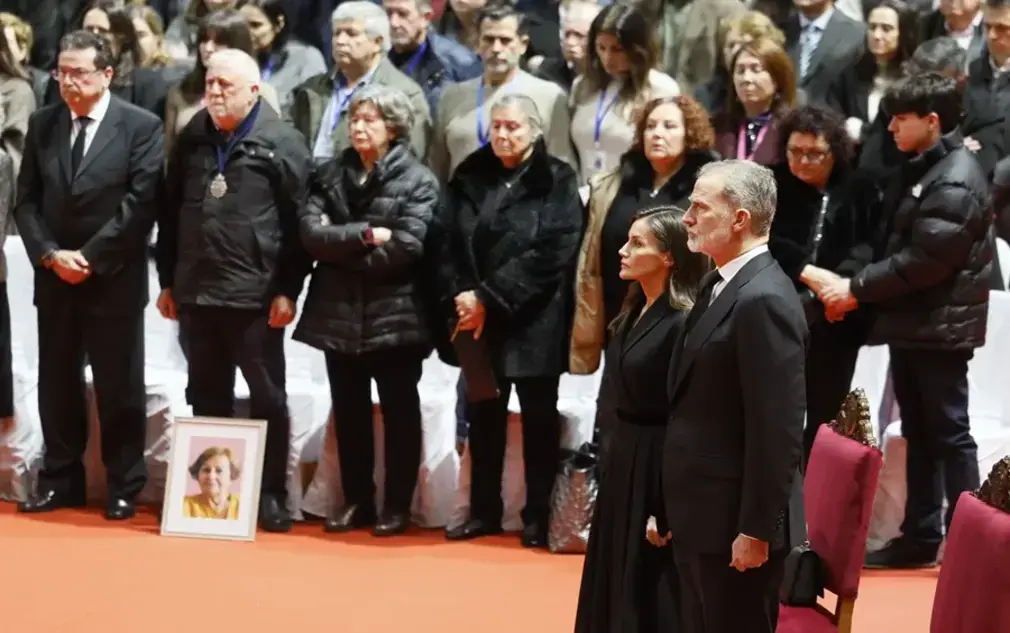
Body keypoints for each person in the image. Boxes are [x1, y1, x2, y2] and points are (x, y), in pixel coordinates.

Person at [820, 72, 991, 569]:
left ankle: (971, 548)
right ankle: (920, 537)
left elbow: (924, 260)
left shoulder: (955, 176)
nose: (890, 127)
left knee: (949, 434)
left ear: (932, 122)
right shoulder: (924, 166)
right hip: (919, 323)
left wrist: (855, 288)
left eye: (900, 119)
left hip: (939, 325)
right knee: (919, 431)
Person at [156, 48, 311, 533]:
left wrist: (288, 288)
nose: (215, 92)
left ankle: (269, 494)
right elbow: (170, 209)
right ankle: (215, 503)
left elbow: (298, 224)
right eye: (210, 83)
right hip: (197, 290)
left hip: (255, 294)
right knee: (206, 393)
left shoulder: (282, 142)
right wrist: (166, 280)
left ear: (254, 91)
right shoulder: (193, 135)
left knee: (267, 398)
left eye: (226, 85)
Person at [14, 30, 164, 520]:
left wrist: (91, 257)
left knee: (120, 384)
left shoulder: (140, 126)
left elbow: (141, 204)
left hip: (112, 278)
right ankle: (61, 478)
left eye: (79, 72)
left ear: (107, 75)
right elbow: (26, 201)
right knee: (57, 381)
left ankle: (124, 482)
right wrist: (52, 254)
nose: (67, 81)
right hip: (54, 275)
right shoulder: (43, 123)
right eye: (61, 71)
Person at [664, 159, 807, 633]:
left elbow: (777, 429)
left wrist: (757, 529)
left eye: (700, 208)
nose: (686, 217)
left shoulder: (764, 298)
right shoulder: (718, 281)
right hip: (700, 514)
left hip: (733, 524)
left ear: (740, 219)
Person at [438, 93, 582, 547]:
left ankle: (537, 515)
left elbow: (554, 250)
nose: (502, 135)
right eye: (496, 126)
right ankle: (483, 510)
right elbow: (446, 240)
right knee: (483, 420)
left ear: (535, 131)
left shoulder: (557, 178)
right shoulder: (469, 174)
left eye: (513, 127)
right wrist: (463, 295)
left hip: (535, 317)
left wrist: (489, 295)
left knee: (539, 423)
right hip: (478, 321)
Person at [294, 85, 439, 537]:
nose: (358, 128)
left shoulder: (418, 180)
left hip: (396, 315)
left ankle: (396, 505)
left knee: (400, 413)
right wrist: (362, 236)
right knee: (349, 412)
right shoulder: (331, 172)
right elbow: (310, 234)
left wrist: (340, 246)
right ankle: (357, 499)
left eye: (369, 120)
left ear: (393, 128)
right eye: (354, 120)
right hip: (338, 313)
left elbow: (408, 247)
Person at [574, 206, 710, 633]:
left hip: (656, 466)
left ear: (669, 255)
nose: (622, 250)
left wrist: (665, 507)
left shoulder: (684, 321)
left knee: (649, 587)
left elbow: (687, 417)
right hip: (625, 459)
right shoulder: (633, 311)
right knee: (617, 576)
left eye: (636, 243)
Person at [769, 105, 878, 460]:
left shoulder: (859, 186)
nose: (802, 161)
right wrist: (807, 272)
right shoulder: (771, 182)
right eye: (794, 152)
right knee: (775, 410)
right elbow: (764, 239)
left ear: (836, 150)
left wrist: (838, 288)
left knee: (824, 415)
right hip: (779, 310)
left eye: (814, 154)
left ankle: (809, 501)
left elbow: (868, 245)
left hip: (838, 314)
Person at [289, 2, 430, 164]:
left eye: (351, 33)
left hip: (364, 186)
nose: (340, 41)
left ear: (377, 42)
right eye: (336, 33)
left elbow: (407, 164)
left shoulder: (405, 94)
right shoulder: (312, 87)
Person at [182, 446, 242, 519]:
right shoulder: (184, 505)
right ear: (197, 474)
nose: (211, 476)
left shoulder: (243, 505)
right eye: (206, 470)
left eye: (219, 470)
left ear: (231, 476)